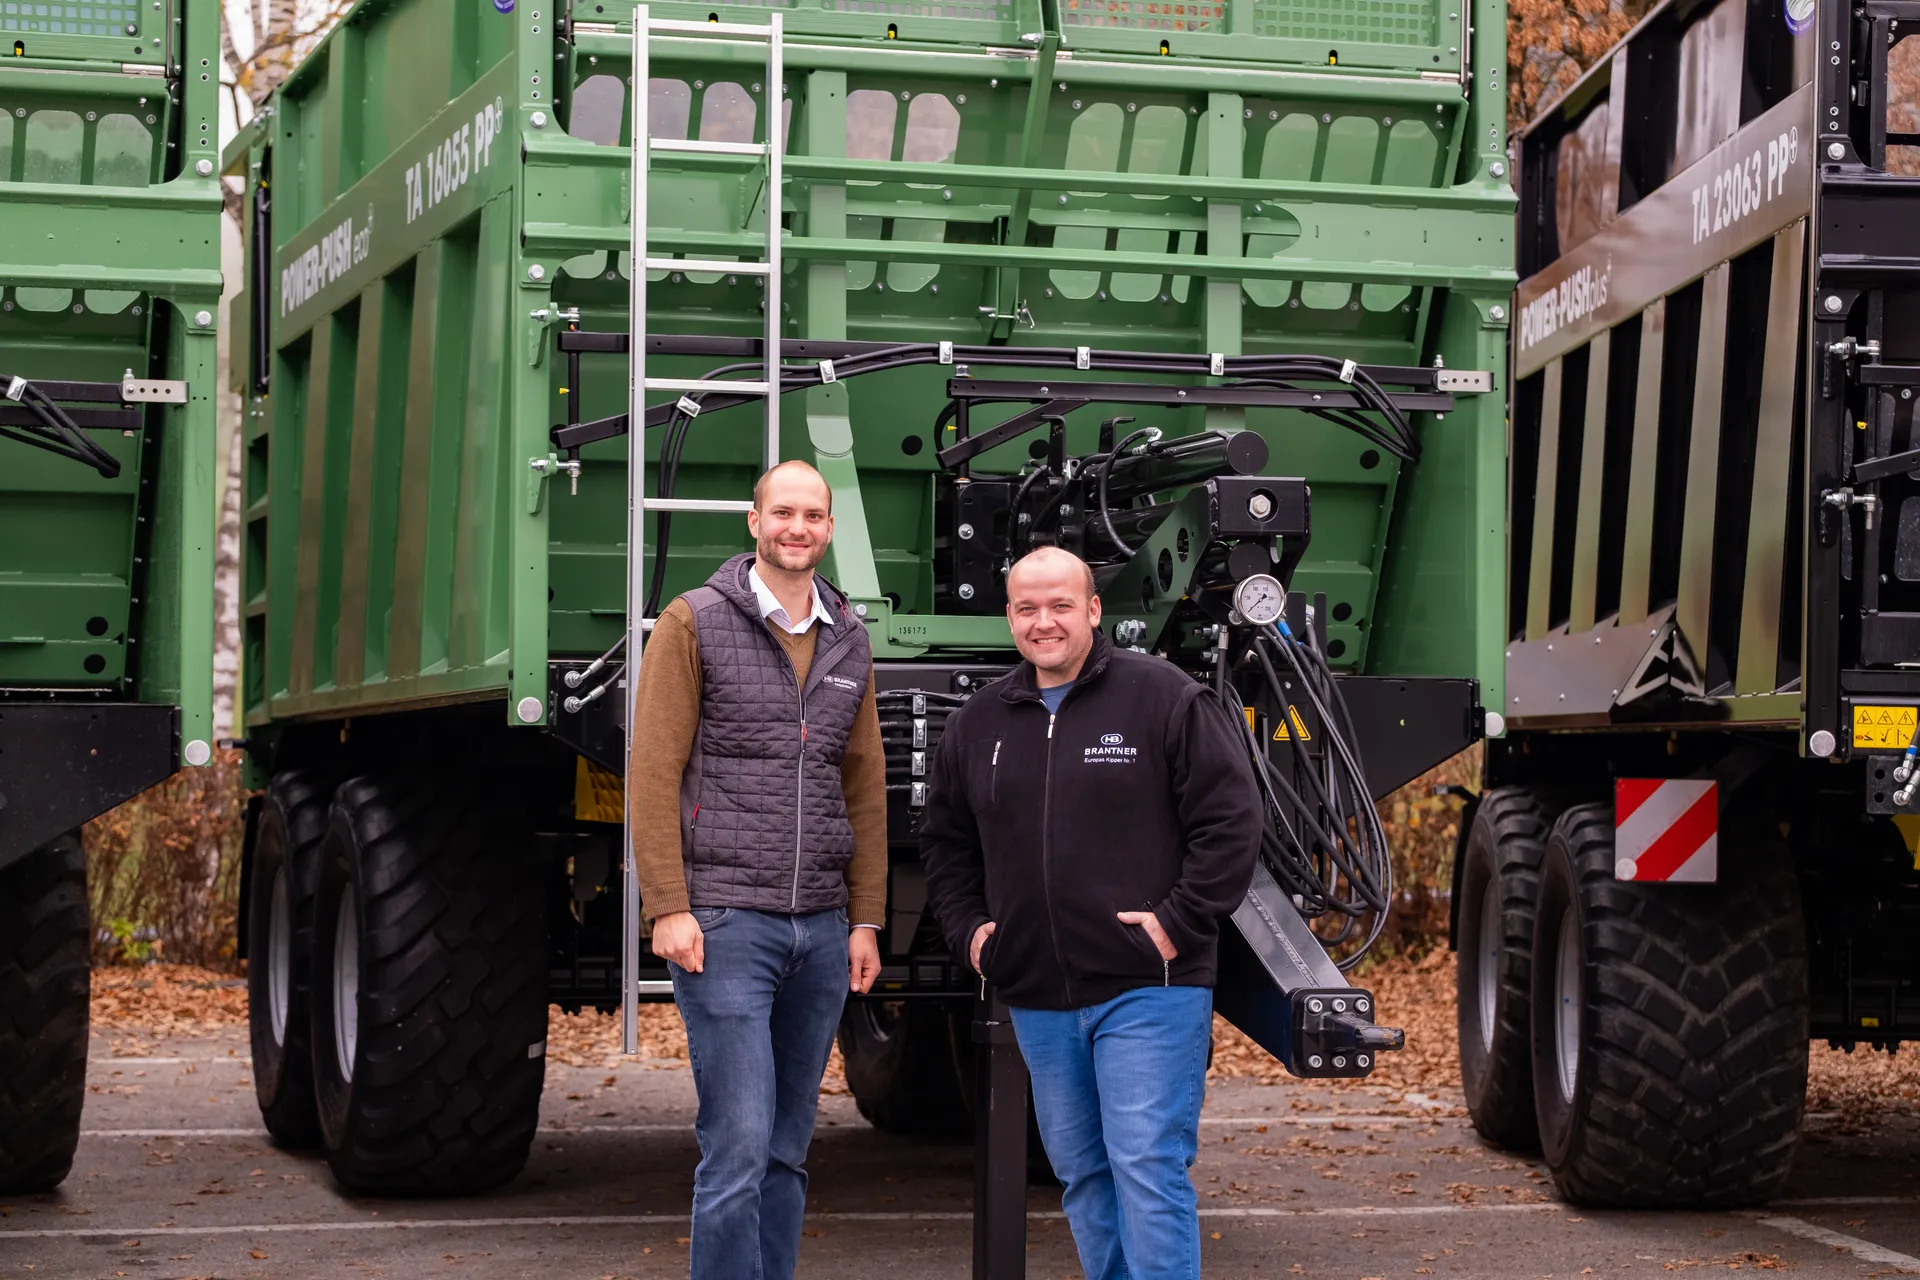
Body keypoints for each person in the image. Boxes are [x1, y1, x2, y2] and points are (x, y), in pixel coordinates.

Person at [920, 546, 1263, 1280]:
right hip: (1038, 991)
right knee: (1083, 1173)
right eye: (1027, 608)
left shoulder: (1164, 698)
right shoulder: (981, 722)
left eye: (1061, 606)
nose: (1044, 623)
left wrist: (1178, 921)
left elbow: (1231, 820)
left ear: (1094, 610)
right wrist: (972, 934)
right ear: (1009, 616)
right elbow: (945, 844)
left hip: (1149, 987)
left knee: (1145, 1165)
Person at [627, 459, 886, 1280]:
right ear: (754, 521)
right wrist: (668, 903)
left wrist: (866, 918)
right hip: (726, 922)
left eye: (813, 515)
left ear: (830, 528)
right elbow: (652, 769)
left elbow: (865, 783)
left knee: (786, 1148)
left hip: (820, 929)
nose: (797, 528)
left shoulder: (849, 635)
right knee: (736, 1146)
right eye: (783, 513)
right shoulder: (693, 621)